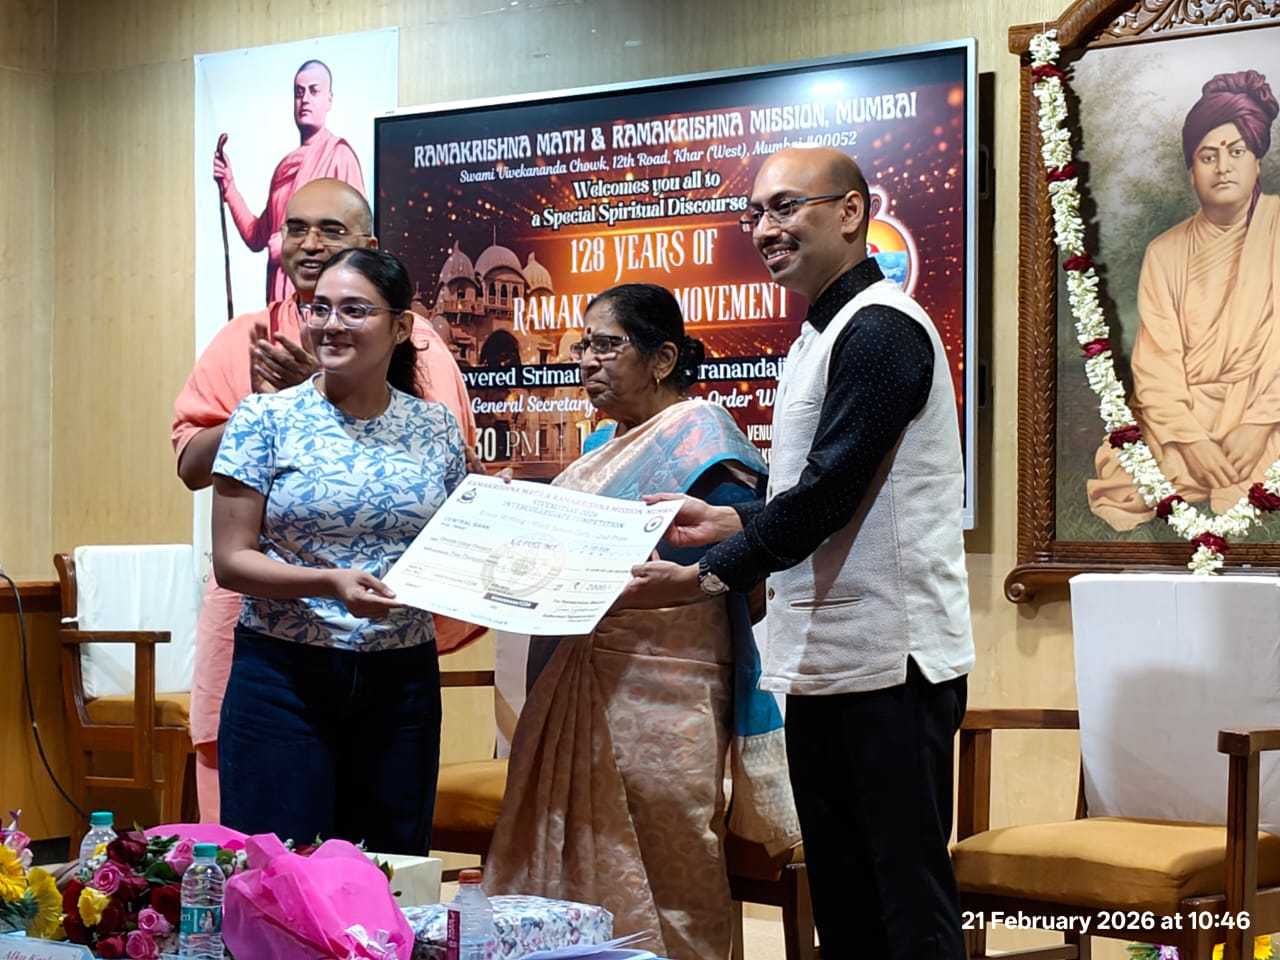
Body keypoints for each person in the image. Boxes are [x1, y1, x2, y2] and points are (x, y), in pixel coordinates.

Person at [616, 147, 974, 959]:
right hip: (827, 661)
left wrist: (705, 577)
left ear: (850, 212)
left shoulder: (881, 328)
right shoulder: (823, 330)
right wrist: (732, 522)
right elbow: (821, 491)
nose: (765, 229)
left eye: (785, 207)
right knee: (843, 902)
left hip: (894, 666)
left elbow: (831, 492)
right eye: (756, 213)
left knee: (905, 907)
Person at [483, 283, 799, 960]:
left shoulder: (704, 439)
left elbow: (734, 573)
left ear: (662, 359)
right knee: (566, 867)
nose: (587, 361)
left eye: (607, 345)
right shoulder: (605, 446)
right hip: (578, 678)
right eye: (583, 346)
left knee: (671, 871)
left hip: (663, 689)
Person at [172, 177, 477, 824]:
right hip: (285, 671)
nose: (332, 324)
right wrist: (329, 583)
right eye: (321, 310)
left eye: (355, 311)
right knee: (281, 866)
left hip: (400, 675)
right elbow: (230, 554)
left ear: (402, 328)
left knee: (389, 866)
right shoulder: (262, 415)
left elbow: (459, 539)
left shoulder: (433, 426)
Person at [1089, 70, 1280, 529]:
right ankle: (1208, 466)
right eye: (1207, 156)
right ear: (1191, 172)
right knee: (1125, 480)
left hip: (1268, 407)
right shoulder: (1165, 252)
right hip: (1185, 414)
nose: (1223, 167)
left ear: (1257, 162)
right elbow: (1156, 366)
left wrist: (1257, 425)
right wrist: (1192, 440)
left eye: (1237, 152)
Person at [213, 60, 365, 302]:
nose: (305, 99)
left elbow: (357, 240)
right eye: (299, 92)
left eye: (314, 91)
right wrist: (229, 188)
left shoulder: (340, 156)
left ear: (329, 100)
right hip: (279, 298)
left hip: (321, 299)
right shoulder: (285, 166)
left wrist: (291, 245)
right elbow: (257, 237)